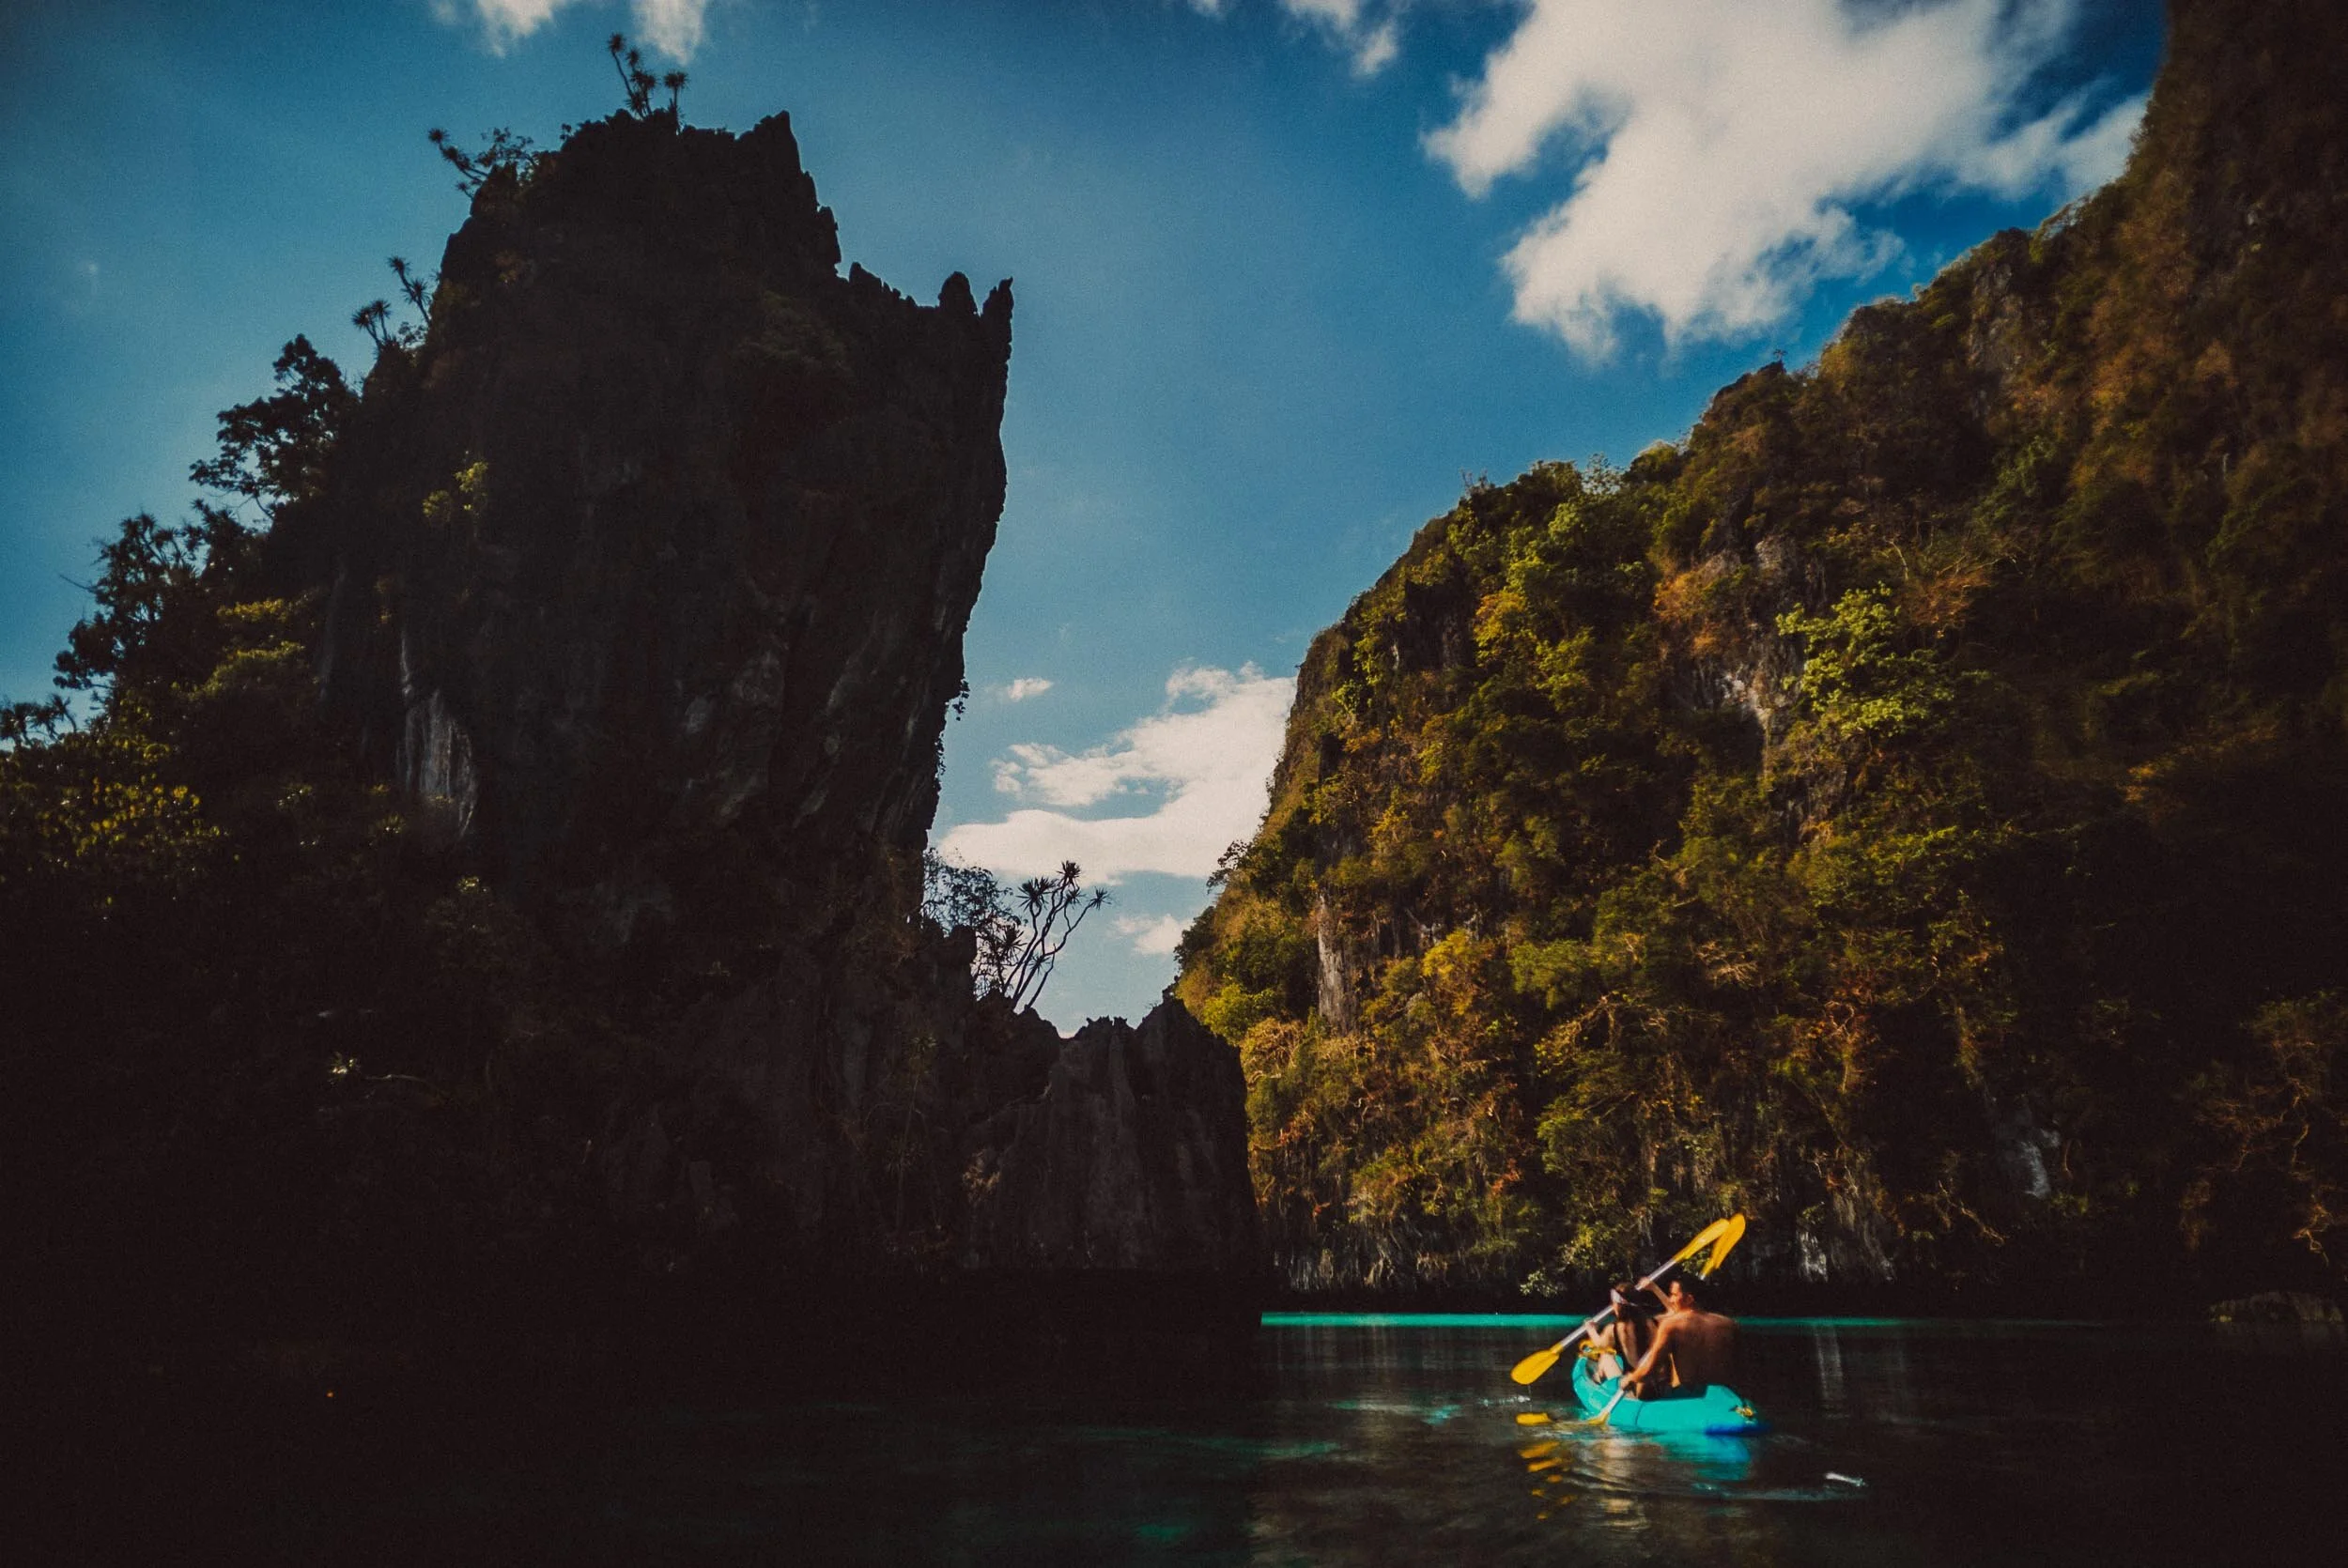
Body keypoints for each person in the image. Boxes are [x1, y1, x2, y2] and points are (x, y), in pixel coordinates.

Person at [1621, 1277, 1735, 1399]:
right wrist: (1654, 1288)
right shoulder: (1728, 1324)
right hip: (1720, 1397)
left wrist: (1631, 1378)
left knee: (1642, 1385)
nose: (1671, 1299)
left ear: (1689, 1299)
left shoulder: (1671, 1325)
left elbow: (1649, 1369)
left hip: (1685, 1396)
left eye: (1674, 1295)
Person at [1590, 1282, 1651, 1381]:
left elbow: (1600, 1345)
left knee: (1605, 1357)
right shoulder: (1649, 1323)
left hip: (1631, 1383)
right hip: (1651, 1381)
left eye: (1613, 1303)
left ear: (1618, 1305)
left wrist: (1591, 1330)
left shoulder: (1613, 1329)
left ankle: (1598, 1378)